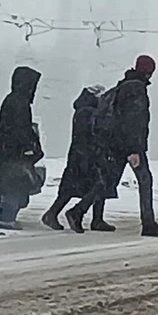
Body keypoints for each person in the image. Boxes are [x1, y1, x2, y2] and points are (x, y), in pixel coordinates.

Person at [65, 55, 158, 237]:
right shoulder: (136, 89)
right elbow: (134, 121)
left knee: (105, 182)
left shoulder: (123, 86)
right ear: (148, 71)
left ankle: (78, 211)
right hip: (129, 145)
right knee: (145, 180)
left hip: (114, 143)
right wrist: (134, 149)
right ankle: (148, 224)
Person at [41, 84, 115, 232]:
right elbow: (92, 135)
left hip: (80, 155)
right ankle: (85, 216)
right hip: (87, 156)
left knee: (73, 188)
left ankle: (53, 214)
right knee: (99, 184)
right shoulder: (88, 113)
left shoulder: (83, 111)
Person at [0, 66, 44, 230]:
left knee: (13, 183)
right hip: (15, 152)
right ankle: (6, 218)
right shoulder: (19, 103)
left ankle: (7, 216)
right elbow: (20, 128)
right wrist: (28, 145)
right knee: (14, 184)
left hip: (10, 151)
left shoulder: (13, 100)